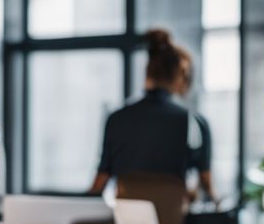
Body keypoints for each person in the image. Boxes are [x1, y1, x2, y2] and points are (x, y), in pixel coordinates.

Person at [87, 29, 216, 203]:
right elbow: (206, 185)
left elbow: (99, 183)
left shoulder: (116, 119)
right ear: (180, 76)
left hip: (126, 222)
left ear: (147, 72)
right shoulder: (195, 122)